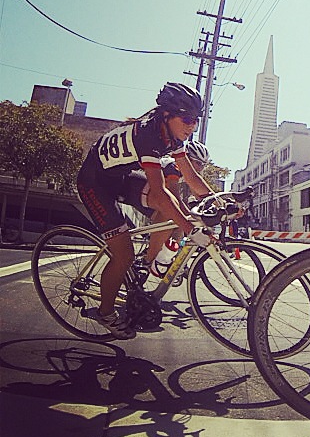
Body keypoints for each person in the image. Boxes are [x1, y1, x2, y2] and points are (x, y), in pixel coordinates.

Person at [76, 83, 216, 339]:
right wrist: (189, 228)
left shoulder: (172, 134)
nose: (192, 126)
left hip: (120, 177)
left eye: (196, 120)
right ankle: (105, 312)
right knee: (124, 254)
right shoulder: (149, 136)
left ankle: (148, 260)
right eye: (187, 119)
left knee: (168, 212)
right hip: (94, 182)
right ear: (167, 115)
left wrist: (217, 202)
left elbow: (191, 176)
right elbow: (161, 193)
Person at [134, 138, 212, 277]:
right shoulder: (173, 166)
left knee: (178, 224)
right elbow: (175, 199)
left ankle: (164, 256)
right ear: (188, 158)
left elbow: (200, 194)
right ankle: (152, 260)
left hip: (153, 197)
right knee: (176, 220)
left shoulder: (184, 172)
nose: (200, 168)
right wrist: (192, 218)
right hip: (139, 191)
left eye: (204, 165)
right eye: (198, 163)